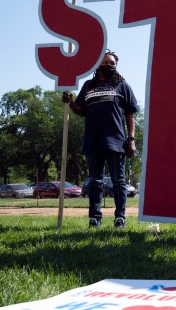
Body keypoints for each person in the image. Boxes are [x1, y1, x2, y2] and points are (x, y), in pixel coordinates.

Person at [62, 50, 138, 229]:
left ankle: (120, 218)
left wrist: (131, 138)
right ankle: (94, 218)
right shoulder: (88, 85)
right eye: (104, 62)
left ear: (116, 65)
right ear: (97, 65)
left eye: (111, 62)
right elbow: (80, 111)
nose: (108, 65)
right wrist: (71, 102)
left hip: (116, 141)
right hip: (93, 141)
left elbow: (130, 114)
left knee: (119, 181)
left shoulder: (122, 86)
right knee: (95, 181)